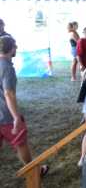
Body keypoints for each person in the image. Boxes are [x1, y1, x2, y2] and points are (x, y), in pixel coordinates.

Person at [0, 36, 49, 177]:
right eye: (15, 46)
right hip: (6, 116)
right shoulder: (7, 68)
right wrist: (16, 117)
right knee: (20, 143)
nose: (17, 48)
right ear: (10, 49)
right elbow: (8, 93)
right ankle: (35, 171)